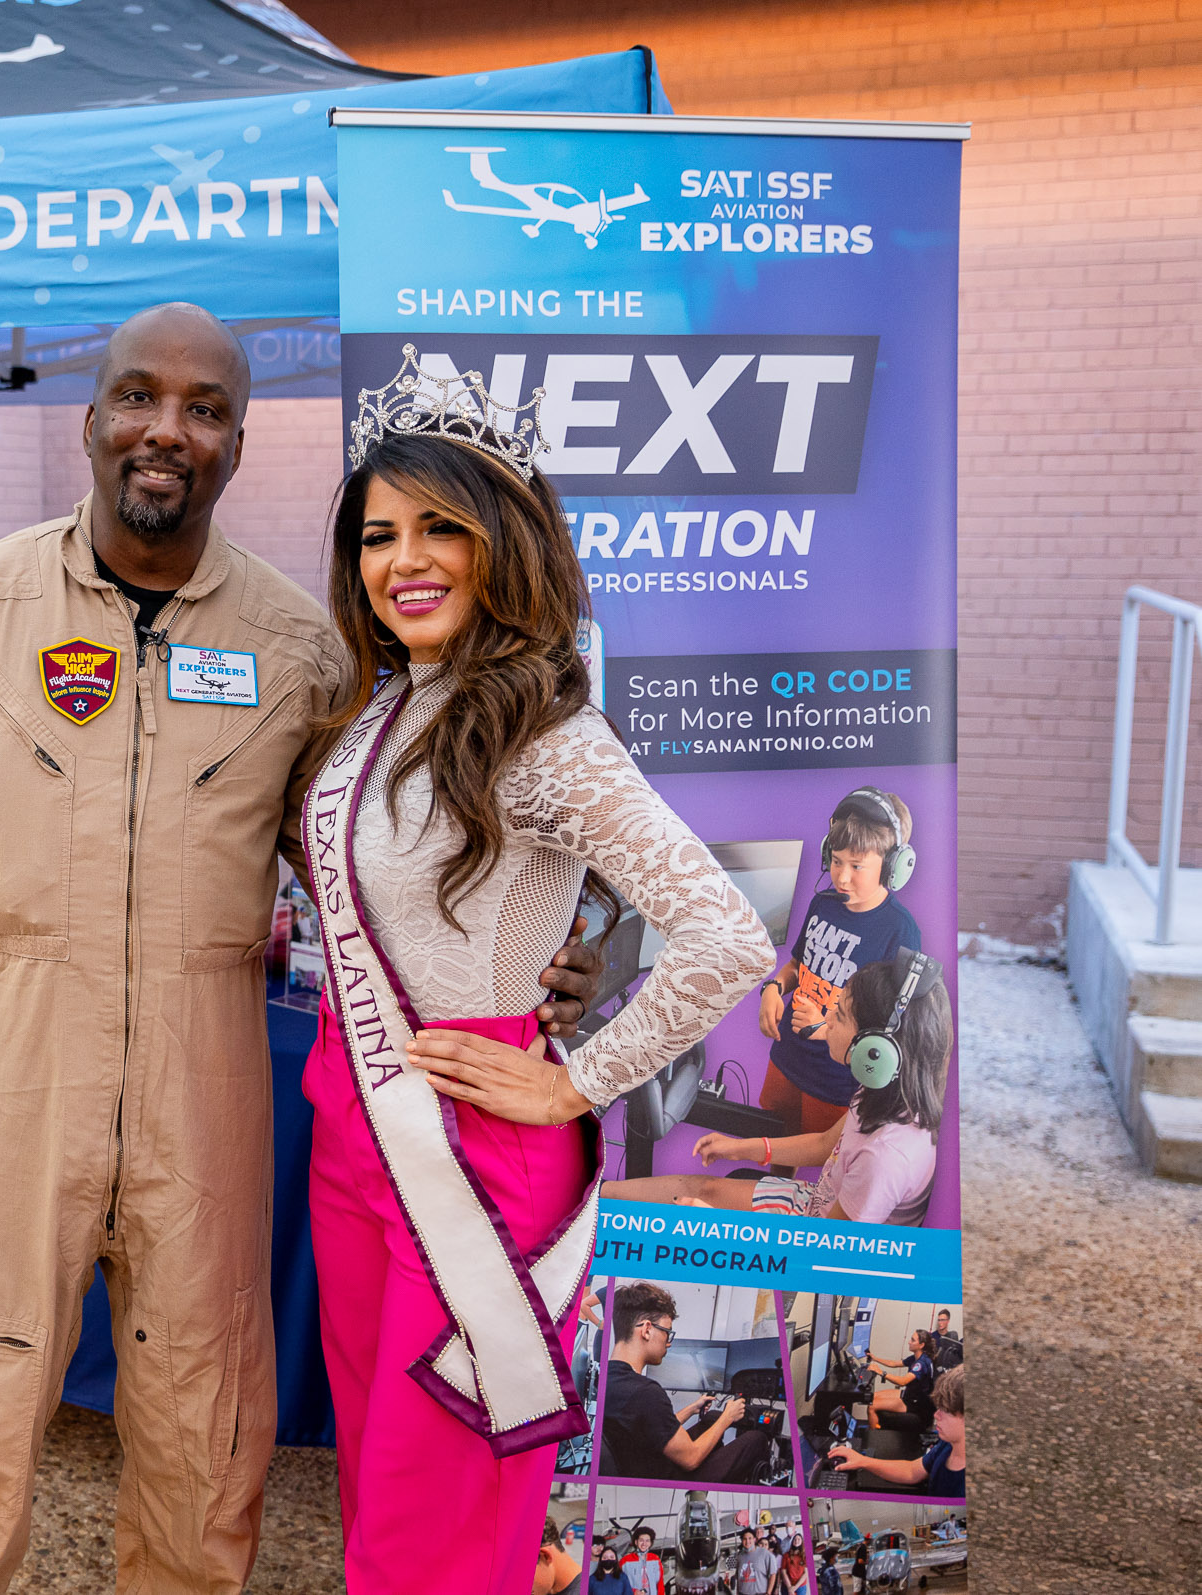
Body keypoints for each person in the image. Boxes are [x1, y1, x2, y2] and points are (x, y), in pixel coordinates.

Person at [0, 306, 603, 1595]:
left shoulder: (302, 650)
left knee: (204, 1407)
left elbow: (386, 855)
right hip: (13, 1063)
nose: (165, 431)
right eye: (138, 396)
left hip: (209, 1077)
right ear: (89, 420)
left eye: (204, 409)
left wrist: (546, 950)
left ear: (238, 444)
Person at [301, 359, 773, 1591]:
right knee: (380, 1491)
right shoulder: (382, 707)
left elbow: (725, 932)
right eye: (378, 535)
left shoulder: (547, 734)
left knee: (439, 1522)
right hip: (353, 1128)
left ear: (501, 541)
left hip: (471, 1151)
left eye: (440, 527)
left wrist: (575, 1081)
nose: (404, 559)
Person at [607, 952, 948, 1227]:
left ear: (876, 1052)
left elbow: (824, 1260)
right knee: (704, 1188)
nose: (827, 1017)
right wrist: (740, 1149)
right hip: (814, 1206)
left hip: (810, 1246)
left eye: (841, 1015)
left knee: (691, 1212)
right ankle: (597, 1196)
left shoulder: (885, 1158)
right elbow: (823, 1145)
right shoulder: (884, 1092)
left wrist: (718, 1227)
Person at [758, 790, 923, 1138]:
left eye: (856, 866)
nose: (842, 877)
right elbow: (797, 965)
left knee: (825, 1163)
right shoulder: (824, 903)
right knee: (775, 1144)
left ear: (891, 867)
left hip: (835, 1080)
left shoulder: (901, 931)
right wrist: (773, 988)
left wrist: (828, 1030)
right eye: (836, 861)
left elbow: (891, 1028)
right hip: (788, 1056)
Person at [599, 1283, 778, 1484]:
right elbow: (691, 1460)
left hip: (642, 1464)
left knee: (711, 1419)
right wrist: (728, 1417)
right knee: (756, 1438)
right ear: (647, 1330)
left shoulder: (609, 1379)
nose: (668, 1342)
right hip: (665, 1479)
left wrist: (692, 1409)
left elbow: (650, 1426)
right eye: (667, 1332)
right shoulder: (646, 1393)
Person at [829, 1364, 965, 1497]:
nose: (936, 1415)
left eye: (946, 1411)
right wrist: (862, 1461)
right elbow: (911, 1471)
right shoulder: (947, 1445)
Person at [864, 1328, 939, 1428]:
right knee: (873, 1397)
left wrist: (881, 1372)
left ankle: (874, 1436)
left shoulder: (921, 1363)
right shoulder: (917, 1357)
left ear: (921, 1345)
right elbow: (894, 1363)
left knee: (871, 1407)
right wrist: (875, 1358)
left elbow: (903, 1381)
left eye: (913, 1340)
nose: (909, 1342)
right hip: (910, 1394)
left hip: (915, 1403)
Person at [620, 1527, 666, 1595]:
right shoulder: (625, 1561)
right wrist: (633, 1591)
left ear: (650, 1543)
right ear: (636, 1542)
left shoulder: (655, 1559)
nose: (644, 1543)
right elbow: (619, 1583)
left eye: (647, 1541)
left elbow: (660, 1583)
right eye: (641, 1540)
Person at [737, 1527, 781, 1595]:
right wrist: (737, 1592)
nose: (747, 1541)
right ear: (742, 1541)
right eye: (745, 1539)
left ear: (754, 1539)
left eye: (750, 1538)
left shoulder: (765, 1554)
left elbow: (773, 1574)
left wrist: (768, 1592)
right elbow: (738, 1576)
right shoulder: (740, 1555)